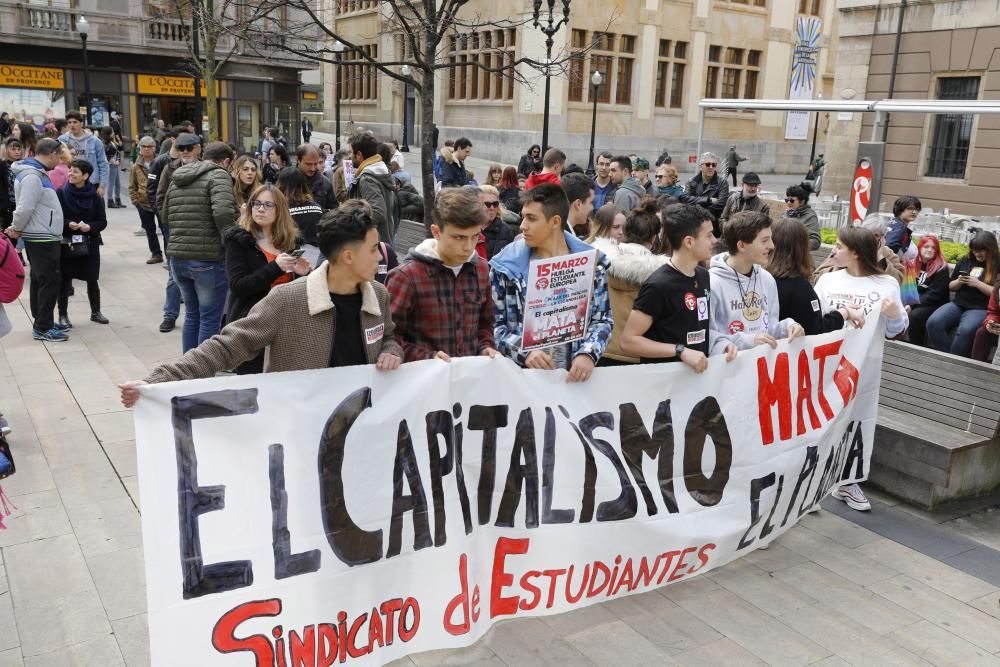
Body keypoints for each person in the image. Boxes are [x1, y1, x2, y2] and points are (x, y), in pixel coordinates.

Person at [119, 205, 404, 407]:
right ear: (348, 256)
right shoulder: (288, 300)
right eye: (373, 247)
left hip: (361, 421)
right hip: (300, 428)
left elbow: (388, 337)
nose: (382, 255)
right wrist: (158, 381)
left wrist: (391, 352)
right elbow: (226, 346)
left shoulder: (378, 295)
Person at [814, 226, 908, 511]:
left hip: (864, 367)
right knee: (824, 423)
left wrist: (895, 314)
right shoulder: (828, 282)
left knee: (857, 423)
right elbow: (815, 324)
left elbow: (897, 329)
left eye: (840, 246)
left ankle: (847, 482)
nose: (834, 251)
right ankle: (814, 486)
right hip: (828, 366)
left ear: (855, 252)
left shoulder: (886, 285)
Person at [490, 183, 612, 379]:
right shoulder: (505, 266)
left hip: (573, 382)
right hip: (522, 384)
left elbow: (602, 319)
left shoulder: (592, 264)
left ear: (555, 221)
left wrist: (588, 353)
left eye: (531, 218)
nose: (522, 226)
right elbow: (493, 326)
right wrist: (524, 351)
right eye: (523, 217)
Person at [387, 187, 496, 362]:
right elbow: (389, 338)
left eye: (475, 236)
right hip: (425, 381)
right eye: (459, 237)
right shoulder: (406, 277)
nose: (468, 246)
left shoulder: (481, 268)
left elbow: (485, 324)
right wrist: (427, 357)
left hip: (471, 379)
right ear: (436, 231)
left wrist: (485, 347)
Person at [620, 203, 724, 370]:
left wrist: (723, 344)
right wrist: (679, 351)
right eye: (709, 235)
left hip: (696, 381)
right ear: (689, 242)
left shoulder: (703, 275)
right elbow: (628, 341)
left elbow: (699, 330)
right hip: (664, 386)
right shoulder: (658, 285)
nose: (715, 241)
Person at [161, 141, 238, 352]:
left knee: (193, 315)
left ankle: (189, 369)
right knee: (209, 319)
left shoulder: (179, 176)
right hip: (207, 258)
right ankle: (203, 373)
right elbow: (223, 213)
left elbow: (165, 214)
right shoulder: (219, 175)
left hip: (178, 257)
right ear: (227, 161)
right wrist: (231, 240)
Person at [224, 183, 310, 374]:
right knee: (251, 384)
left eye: (268, 205)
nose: (261, 209)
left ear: (280, 210)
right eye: (256, 204)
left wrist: (304, 274)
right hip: (252, 323)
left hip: (286, 326)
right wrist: (275, 267)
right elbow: (239, 286)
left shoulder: (289, 242)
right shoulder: (239, 240)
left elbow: (299, 289)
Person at [708, 211, 804, 357]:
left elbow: (769, 326)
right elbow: (709, 338)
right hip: (728, 371)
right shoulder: (713, 283)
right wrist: (748, 340)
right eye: (764, 241)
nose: (771, 246)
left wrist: (788, 326)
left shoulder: (766, 279)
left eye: (770, 239)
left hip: (759, 369)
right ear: (741, 245)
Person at [593, 201, 668, 365]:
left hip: (600, 347)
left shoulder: (599, 259)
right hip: (637, 352)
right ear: (654, 236)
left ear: (625, 231)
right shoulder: (661, 273)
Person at [5, 138, 67, 341]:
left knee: (41, 279)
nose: (58, 161)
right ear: (52, 153)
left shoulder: (35, 173)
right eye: (58, 156)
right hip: (42, 238)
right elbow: (24, 208)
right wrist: (16, 228)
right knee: (50, 280)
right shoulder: (32, 176)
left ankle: (43, 319)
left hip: (42, 235)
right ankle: (42, 327)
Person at [769, 218, 863, 335]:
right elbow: (815, 329)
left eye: (839, 247)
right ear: (801, 248)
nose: (833, 251)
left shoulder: (762, 278)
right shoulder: (799, 286)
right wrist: (844, 313)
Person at [926, 230, 998, 357]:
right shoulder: (966, 259)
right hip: (958, 304)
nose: (977, 253)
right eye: (974, 250)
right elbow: (951, 287)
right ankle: (951, 359)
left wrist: (978, 284)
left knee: (965, 330)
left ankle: (952, 364)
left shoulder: (998, 264)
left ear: (990, 249)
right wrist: (959, 282)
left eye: (981, 250)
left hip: (980, 308)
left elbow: (997, 294)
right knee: (933, 322)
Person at [56, 158, 109, 328]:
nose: (70, 173)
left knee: (92, 278)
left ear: (85, 175)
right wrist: (67, 224)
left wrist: (90, 227)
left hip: (89, 241)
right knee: (64, 279)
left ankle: (96, 312)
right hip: (67, 242)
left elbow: (102, 221)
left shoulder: (95, 196)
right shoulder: (61, 193)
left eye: (75, 171)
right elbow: (56, 218)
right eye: (70, 170)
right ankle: (63, 315)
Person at [346, 131, 397, 244]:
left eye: (350, 152)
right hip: (381, 241)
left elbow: (378, 212)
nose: (349, 156)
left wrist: (351, 223)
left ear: (359, 155)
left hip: (372, 244)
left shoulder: (367, 178)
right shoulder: (379, 170)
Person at [903, 235, 949, 346]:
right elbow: (906, 285)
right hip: (915, 299)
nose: (930, 249)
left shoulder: (941, 267)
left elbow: (934, 294)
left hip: (934, 303)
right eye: (926, 246)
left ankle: (916, 347)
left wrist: (912, 305)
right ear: (920, 247)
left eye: (933, 248)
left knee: (915, 315)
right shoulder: (913, 263)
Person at [58, 112, 109, 199]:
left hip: (91, 182)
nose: (72, 125)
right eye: (69, 122)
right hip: (71, 182)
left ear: (81, 124)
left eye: (75, 122)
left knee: (94, 211)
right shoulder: (61, 140)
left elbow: (103, 163)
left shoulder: (94, 141)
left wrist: (102, 186)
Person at [129, 136, 163, 264]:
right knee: (150, 231)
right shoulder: (135, 166)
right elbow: (132, 186)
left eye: (150, 146)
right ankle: (156, 254)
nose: (147, 149)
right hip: (143, 203)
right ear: (140, 148)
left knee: (165, 229)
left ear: (155, 148)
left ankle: (169, 255)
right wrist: (136, 202)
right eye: (144, 146)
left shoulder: (160, 163)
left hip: (159, 202)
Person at [276, 167, 323, 251]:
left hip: (290, 255)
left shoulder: (280, 209)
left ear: (280, 184)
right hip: (318, 255)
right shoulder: (317, 207)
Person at [680, 152, 729, 233]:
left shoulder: (722, 183)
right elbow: (685, 199)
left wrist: (698, 211)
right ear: (700, 167)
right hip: (694, 224)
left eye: (714, 165)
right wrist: (708, 200)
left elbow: (721, 204)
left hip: (713, 225)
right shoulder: (692, 181)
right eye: (708, 164)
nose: (711, 167)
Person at [296, 143, 338, 210]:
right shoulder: (287, 180)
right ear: (298, 160)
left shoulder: (326, 183)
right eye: (308, 164)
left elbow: (333, 210)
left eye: (315, 164)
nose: (313, 168)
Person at [479, 185, 515, 259]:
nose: (492, 208)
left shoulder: (506, 231)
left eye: (495, 204)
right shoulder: (468, 229)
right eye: (487, 204)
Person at [783, 184, 820, 250]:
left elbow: (815, 242)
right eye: (787, 200)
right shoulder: (787, 213)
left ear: (802, 201)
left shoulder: (810, 216)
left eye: (792, 200)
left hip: (797, 255)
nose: (788, 203)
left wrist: (795, 247)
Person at [561, 172, 595, 239]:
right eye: (591, 202)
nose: (592, 207)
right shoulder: (561, 238)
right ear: (578, 204)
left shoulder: (561, 231)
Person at [972, 285, 1000, 362]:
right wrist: (990, 323)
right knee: (982, 333)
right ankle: (977, 367)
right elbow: (994, 312)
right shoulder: (998, 288)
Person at [0, 138, 22, 231]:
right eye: (13, 149)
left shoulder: (22, 165)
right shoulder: (2, 165)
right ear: (6, 150)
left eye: (18, 149)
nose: (17, 152)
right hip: (5, 207)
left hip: (19, 205)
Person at [100, 126, 123, 208]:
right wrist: (112, 161)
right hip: (111, 165)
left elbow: (117, 152)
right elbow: (104, 155)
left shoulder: (111, 141)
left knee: (118, 184)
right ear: (109, 133)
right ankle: (110, 200)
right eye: (112, 132)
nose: (114, 133)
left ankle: (118, 200)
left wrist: (118, 160)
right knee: (111, 183)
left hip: (115, 164)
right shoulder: (104, 143)